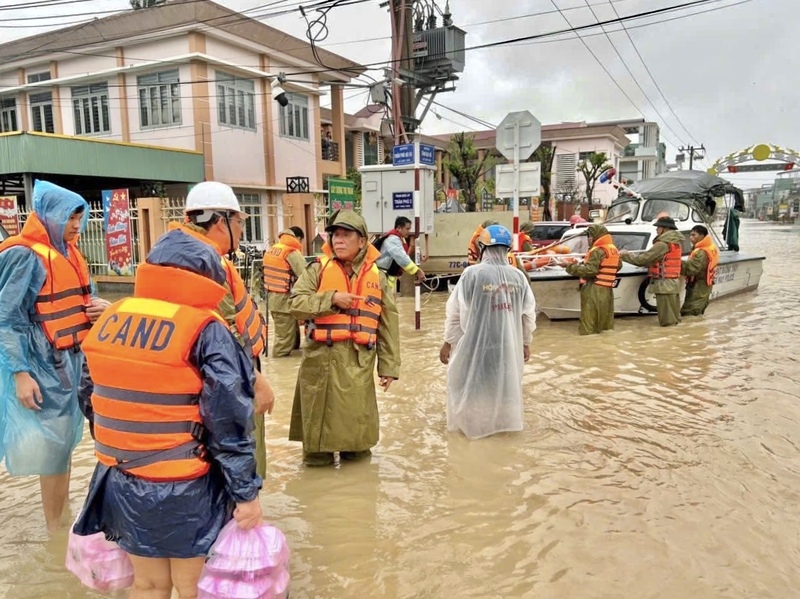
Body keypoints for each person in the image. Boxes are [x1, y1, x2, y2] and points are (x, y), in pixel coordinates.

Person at [73, 229, 263, 599]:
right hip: (187, 484)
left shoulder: (113, 317)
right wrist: (245, 494)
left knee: (147, 585)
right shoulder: (206, 329)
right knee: (193, 587)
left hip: (121, 478)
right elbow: (228, 419)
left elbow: (89, 396)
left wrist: (130, 444)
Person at [0, 180, 111, 532]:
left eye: (79, 217)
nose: (77, 225)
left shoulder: (68, 252)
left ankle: (62, 520)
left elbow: (79, 299)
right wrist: (20, 373)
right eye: (70, 218)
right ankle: (55, 531)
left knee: (62, 444)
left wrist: (98, 309)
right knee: (52, 448)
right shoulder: (24, 255)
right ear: (49, 215)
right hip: (42, 364)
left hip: (71, 362)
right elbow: (6, 318)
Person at [168, 181, 274, 478]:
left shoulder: (179, 255)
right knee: (239, 464)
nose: (241, 230)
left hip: (201, 379)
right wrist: (255, 380)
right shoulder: (207, 264)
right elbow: (222, 335)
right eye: (239, 222)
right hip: (228, 380)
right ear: (219, 222)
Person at [288, 210, 400, 466]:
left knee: (357, 447)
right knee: (317, 451)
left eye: (346, 234)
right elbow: (295, 304)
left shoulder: (378, 277)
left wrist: (389, 367)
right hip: (319, 365)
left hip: (358, 367)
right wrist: (331, 299)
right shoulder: (317, 269)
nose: (338, 239)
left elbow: (388, 324)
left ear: (362, 241)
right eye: (335, 234)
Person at [439, 224, 537, 439]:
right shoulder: (518, 277)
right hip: (507, 346)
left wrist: (448, 342)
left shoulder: (472, 274)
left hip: (476, 345)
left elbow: (455, 312)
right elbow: (528, 315)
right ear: (507, 249)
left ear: (482, 247)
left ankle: (476, 432)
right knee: (502, 386)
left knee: (473, 387)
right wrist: (525, 343)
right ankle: (502, 430)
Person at [620, 215, 684, 327]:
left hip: (664, 285)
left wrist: (625, 255)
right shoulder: (675, 242)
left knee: (667, 321)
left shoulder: (662, 244)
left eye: (658, 227)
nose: (656, 229)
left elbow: (643, 260)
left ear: (664, 229)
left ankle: (668, 337)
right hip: (673, 283)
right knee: (674, 318)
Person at [564, 224, 621, 335]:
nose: (589, 239)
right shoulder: (613, 249)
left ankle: (588, 344)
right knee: (605, 323)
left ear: (596, 236)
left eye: (590, 236)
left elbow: (590, 271)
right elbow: (618, 266)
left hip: (594, 289)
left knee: (588, 325)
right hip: (607, 290)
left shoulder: (597, 251)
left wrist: (568, 266)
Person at [263, 226, 306, 357]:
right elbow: (306, 276)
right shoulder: (291, 252)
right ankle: (279, 365)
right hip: (284, 302)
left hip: (274, 299)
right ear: (298, 238)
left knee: (291, 338)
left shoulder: (273, 249)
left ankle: (289, 366)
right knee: (284, 343)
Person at [374, 216, 425, 289]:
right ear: (399, 228)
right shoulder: (393, 239)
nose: (409, 231)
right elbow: (401, 257)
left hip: (386, 275)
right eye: (407, 229)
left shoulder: (398, 239)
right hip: (382, 275)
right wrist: (417, 270)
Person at [681, 224, 719, 316]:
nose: (690, 237)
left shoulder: (701, 252)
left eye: (694, 235)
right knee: (698, 310)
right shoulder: (710, 247)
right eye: (690, 235)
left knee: (690, 311)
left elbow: (693, 269)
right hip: (705, 284)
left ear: (702, 236)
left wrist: (676, 262)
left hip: (699, 285)